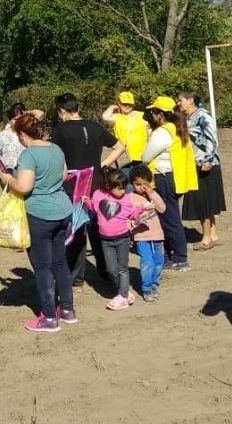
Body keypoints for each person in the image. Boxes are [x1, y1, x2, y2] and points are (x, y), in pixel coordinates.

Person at [0, 113, 75, 332]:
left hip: (40, 215)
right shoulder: (56, 149)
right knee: (60, 263)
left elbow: (24, 187)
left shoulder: (28, 155)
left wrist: (8, 179)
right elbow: (64, 176)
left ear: (23, 134)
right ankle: (68, 309)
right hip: (62, 210)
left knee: (42, 267)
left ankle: (49, 317)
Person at [50, 93, 126, 292]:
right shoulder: (94, 126)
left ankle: (77, 280)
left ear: (62, 111)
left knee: (75, 232)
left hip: (73, 187)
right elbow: (119, 147)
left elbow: (55, 157)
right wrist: (103, 164)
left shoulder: (60, 131)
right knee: (100, 227)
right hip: (97, 185)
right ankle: (108, 272)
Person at [141, 96, 199, 272]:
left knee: (169, 219)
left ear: (160, 114)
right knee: (170, 217)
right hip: (175, 178)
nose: (151, 114)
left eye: (153, 111)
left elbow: (145, 157)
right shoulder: (177, 128)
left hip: (164, 178)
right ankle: (171, 255)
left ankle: (180, 258)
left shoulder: (163, 132)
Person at [83, 168, 149, 311]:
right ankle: (124, 291)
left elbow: (132, 214)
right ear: (108, 186)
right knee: (112, 270)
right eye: (119, 189)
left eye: (124, 188)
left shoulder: (125, 200)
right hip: (105, 240)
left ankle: (123, 296)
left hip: (122, 238)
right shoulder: (98, 195)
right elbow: (94, 208)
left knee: (123, 268)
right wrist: (87, 202)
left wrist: (143, 208)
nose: (123, 191)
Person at [178, 91, 225, 251]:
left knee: (203, 201)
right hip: (197, 163)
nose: (179, 103)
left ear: (190, 100)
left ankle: (206, 239)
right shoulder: (190, 118)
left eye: (181, 100)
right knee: (207, 201)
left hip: (204, 164)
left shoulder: (202, 115)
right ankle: (213, 234)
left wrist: (207, 159)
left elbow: (212, 137)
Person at [129, 165, 166, 302]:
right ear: (132, 183)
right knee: (147, 262)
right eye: (138, 184)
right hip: (141, 236)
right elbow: (128, 219)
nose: (141, 188)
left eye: (145, 184)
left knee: (159, 261)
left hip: (157, 235)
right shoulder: (130, 198)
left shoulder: (153, 195)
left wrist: (152, 194)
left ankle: (154, 284)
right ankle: (146, 288)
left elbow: (162, 208)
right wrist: (136, 223)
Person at [0, 102, 44, 182]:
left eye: (20, 119)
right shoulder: (2, 135)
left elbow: (41, 114)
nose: (18, 122)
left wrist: (25, 112)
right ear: (9, 120)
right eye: (15, 119)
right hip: (8, 175)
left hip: (27, 173)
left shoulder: (28, 133)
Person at [101, 91, 149, 164]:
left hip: (141, 157)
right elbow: (105, 117)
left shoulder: (141, 115)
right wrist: (113, 107)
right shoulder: (116, 117)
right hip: (124, 158)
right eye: (124, 104)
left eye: (130, 104)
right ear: (119, 104)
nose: (127, 106)